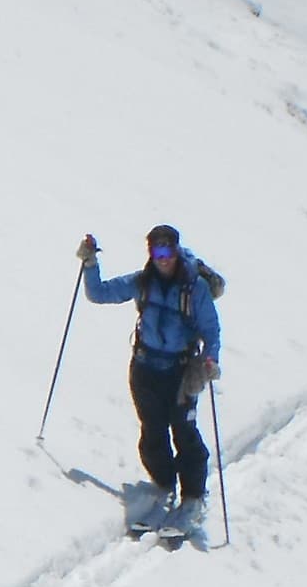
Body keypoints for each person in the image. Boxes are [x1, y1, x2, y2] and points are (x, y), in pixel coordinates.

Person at [77, 224, 221, 526]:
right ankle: (163, 484)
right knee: (152, 431)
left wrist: (210, 360)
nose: (163, 258)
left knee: (184, 432)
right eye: (157, 251)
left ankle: (193, 497)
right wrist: (90, 264)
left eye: (168, 250)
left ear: (177, 250)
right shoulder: (143, 281)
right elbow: (99, 293)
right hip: (144, 368)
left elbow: (211, 330)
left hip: (181, 373)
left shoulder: (195, 288)